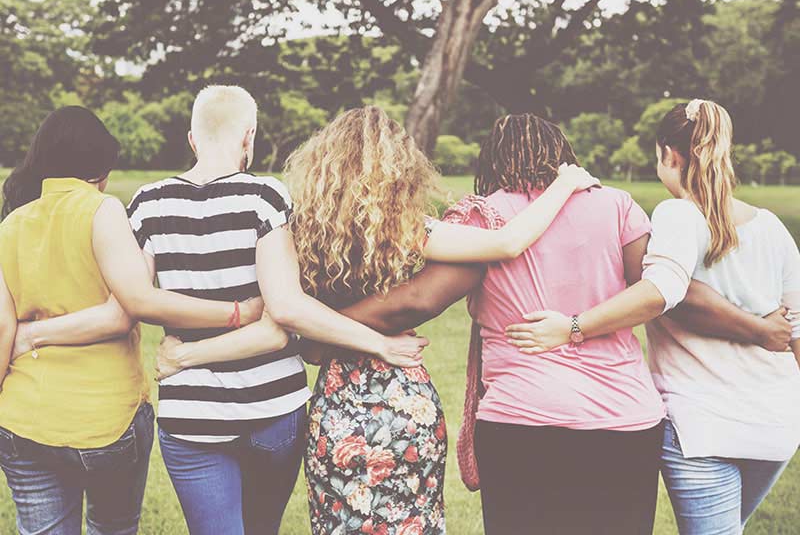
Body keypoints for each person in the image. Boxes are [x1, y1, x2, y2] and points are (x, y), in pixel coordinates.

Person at [293, 112, 794, 535]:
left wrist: (320, 328)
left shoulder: (486, 216)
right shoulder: (616, 204)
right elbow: (664, 289)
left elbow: (417, 301)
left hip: (524, 419)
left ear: (492, 161)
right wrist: (754, 321)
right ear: (562, 155)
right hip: (625, 418)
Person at [154, 106, 599, 535]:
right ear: (400, 167)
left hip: (337, 406)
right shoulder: (406, 229)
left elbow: (293, 322)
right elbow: (506, 243)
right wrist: (563, 184)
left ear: (321, 165)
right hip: (404, 399)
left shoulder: (300, 232)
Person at [11, 90, 431, 535]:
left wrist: (36, 334)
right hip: (274, 407)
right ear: (249, 136)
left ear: (192, 139)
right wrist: (380, 344)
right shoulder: (265, 196)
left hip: (191, 414)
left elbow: (131, 302)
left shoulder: (148, 204)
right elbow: (286, 309)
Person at [508, 100, 800, 534]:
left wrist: (572, 327)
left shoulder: (677, 214)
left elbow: (662, 290)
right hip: (777, 425)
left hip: (703, 427)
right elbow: (795, 328)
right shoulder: (772, 226)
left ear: (669, 155)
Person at [0, 105, 272, 535]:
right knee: (113, 527)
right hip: (105, 420)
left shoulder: (11, 224)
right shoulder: (101, 210)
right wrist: (237, 311)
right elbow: (130, 307)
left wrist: (30, 337)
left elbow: (4, 329)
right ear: (99, 167)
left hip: (22, 421)